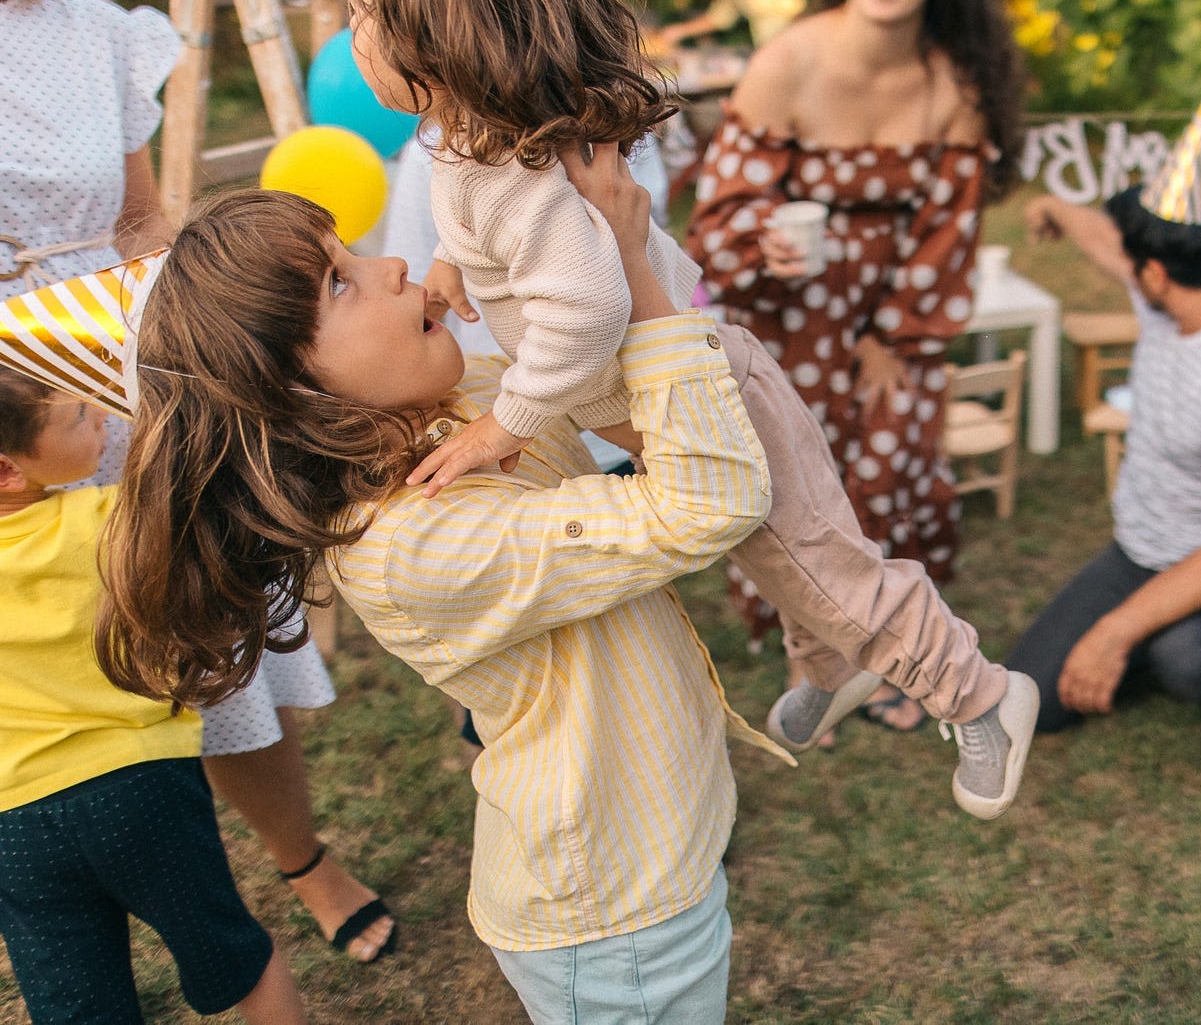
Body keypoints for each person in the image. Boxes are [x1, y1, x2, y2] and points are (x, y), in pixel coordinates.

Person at [320, 0, 1035, 816]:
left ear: (440, 27)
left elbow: (586, 312)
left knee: (821, 555)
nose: (348, 33)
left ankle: (980, 693)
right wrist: (452, 264)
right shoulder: (470, 140)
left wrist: (508, 426)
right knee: (779, 548)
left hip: (704, 384)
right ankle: (834, 667)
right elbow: (473, 223)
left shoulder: (527, 177)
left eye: (362, 10)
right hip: (652, 399)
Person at [3, 166, 767, 1020]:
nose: (394, 267)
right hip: (615, 909)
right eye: (340, 280)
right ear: (285, 394)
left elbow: (595, 372)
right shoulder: (412, 540)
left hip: (657, 845)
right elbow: (709, 500)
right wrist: (630, 267)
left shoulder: (458, 412)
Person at [0, 0, 395, 962]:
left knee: (206, 636)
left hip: (115, 367)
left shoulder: (91, 34)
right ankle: (67, 903)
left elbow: (136, 216)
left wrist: (183, 358)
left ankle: (300, 863)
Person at [684, 0, 1025, 731]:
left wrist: (896, 340)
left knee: (883, 474)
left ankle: (901, 667)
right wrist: (760, 241)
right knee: (792, 491)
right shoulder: (787, 60)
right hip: (782, 321)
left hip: (889, 325)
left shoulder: (956, 85)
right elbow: (718, 213)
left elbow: (949, 238)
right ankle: (821, 658)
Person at [0, 367, 307, 1024]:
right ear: (7, 470)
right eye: (82, 417)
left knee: (76, 1006)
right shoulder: (105, 518)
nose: (106, 420)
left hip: (13, 823)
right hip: (139, 790)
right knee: (236, 958)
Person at [1008, 107, 1201, 764]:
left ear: (1155, 274)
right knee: (1032, 698)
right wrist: (1052, 205)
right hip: (1144, 550)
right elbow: (1102, 239)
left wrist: (1114, 632)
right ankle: (1152, 631)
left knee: (1191, 655)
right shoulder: (1171, 293)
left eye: (1133, 262)